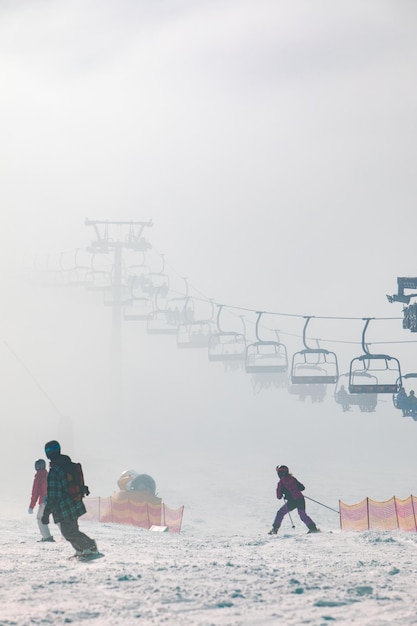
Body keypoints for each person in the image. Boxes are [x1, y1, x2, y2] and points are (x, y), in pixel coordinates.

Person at [41, 440, 99, 559]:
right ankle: (80, 550)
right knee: (72, 528)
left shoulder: (54, 471)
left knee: (68, 532)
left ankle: (90, 547)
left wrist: (46, 514)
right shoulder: (68, 464)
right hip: (75, 502)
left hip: (65, 507)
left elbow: (53, 496)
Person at [268, 465, 320, 535]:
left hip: (292, 502)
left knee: (280, 513)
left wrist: (283, 493)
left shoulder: (281, 483)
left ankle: (275, 529)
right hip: (301, 499)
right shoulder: (292, 478)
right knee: (303, 515)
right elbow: (302, 488)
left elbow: (279, 496)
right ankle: (313, 529)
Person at [28, 458, 55, 543]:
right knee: (58, 518)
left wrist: (31, 506)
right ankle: (67, 535)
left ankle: (47, 537)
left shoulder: (39, 476)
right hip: (54, 499)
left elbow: (35, 492)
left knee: (40, 518)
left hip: (44, 501)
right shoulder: (48, 474)